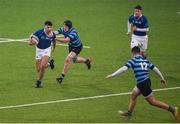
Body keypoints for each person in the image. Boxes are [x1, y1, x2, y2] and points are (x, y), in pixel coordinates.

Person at [106, 46, 178, 119]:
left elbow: (124, 69)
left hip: (143, 83)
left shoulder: (133, 60)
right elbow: (155, 69)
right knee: (133, 95)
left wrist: (112, 75)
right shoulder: (145, 60)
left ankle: (172, 109)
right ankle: (129, 112)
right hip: (145, 81)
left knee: (152, 101)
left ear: (133, 52)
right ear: (139, 52)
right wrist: (162, 78)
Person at [28, 21, 56, 88]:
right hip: (39, 50)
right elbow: (29, 42)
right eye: (47, 27)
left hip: (47, 50)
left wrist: (53, 47)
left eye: (50, 27)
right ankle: (50, 63)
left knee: (42, 66)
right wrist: (33, 42)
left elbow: (54, 40)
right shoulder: (38, 32)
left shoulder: (52, 34)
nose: (49, 29)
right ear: (45, 27)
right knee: (38, 69)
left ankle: (39, 82)